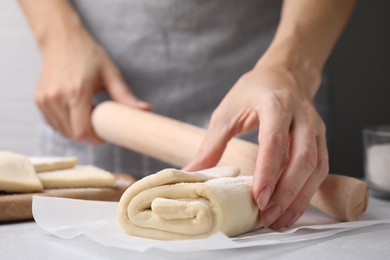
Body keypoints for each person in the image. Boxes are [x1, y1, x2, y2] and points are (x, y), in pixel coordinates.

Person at [18, 0, 356, 229]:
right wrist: (57, 35)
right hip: (89, 96)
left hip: (260, 104)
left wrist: (290, 68)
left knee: (275, 198)